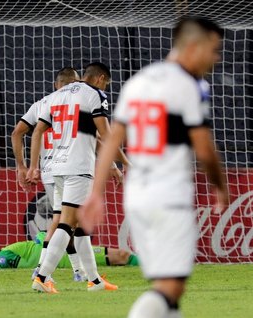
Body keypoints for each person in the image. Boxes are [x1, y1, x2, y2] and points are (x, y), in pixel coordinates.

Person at [79, 17, 228, 318]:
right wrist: (220, 185)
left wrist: (96, 192)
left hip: (138, 197)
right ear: (194, 46)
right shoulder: (189, 85)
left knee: (169, 288)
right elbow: (204, 147)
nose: (217, 58)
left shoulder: (140, 81)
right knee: (170, 287)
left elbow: (111, 140)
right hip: (168, 195)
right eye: (214, 49)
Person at [26, 62, 129, 294]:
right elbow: (106, 135)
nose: (106, 88)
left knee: (79, 225)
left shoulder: (56, 95)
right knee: (68, 223)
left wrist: (33, 166)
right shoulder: (94, 95)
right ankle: (42, 276)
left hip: (56, 168)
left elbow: (38, 131)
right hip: (78, 168)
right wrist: (126, 162)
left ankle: (94, 280)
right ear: (101, 78)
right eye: (107, 84)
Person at [11, 67, 85, 281]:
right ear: (75, 84)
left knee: (66, 220)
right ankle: (44, 269)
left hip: (50, 170)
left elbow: (17, 133)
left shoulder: (42, 103)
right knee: (63, 221)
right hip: (70, 168)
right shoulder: (77, 105)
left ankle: (78, 271)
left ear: (56, 84)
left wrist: (22, 167)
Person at [0, 232, 139, 269]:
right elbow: (31, 263)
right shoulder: (3, 258)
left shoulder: (5, 253)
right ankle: (155, 268)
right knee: (122, 256)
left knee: (121, 257)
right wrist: (44, 239)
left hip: (62, 250)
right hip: (64, 256)